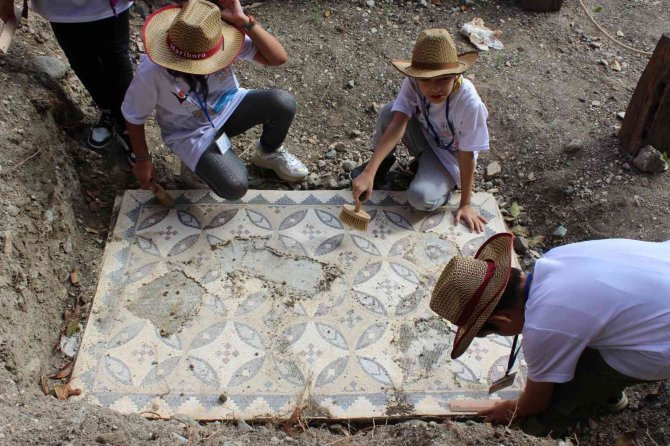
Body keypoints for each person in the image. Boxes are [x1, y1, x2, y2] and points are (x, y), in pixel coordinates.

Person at [430, 233, 670, 437]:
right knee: (590, 335)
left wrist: (511, 408)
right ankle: (607, 389)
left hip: (663, 343)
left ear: (501, 319)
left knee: (548, 411)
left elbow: (535, 402)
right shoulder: (556, 258)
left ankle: (583, 404)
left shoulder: (543, 328)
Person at [121, 0, 308, 199]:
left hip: (229, 107)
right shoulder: (151, 72)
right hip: (192, 132)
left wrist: (244, 21)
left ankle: (268, 153)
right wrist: (143, 159)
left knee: (282, 103)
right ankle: (196, 166)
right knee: (235, 186)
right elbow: (134, 116)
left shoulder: (219, 38)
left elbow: (277, 58)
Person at [350, 29, 489, 233]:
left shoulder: (469, 103)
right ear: (416, 77)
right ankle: (380, 170)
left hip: (451, 157)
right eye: (426, 80)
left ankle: (443, 187)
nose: (434, 88)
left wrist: (465, 203)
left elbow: (467, 155)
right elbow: (398, 123)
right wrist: (370, 171)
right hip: (426, 136)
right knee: (390, 112)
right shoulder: (412, 83)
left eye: (443, 79)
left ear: (456, 74)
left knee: (420, 198)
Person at [28, 0, 135, 160]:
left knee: (116, 59)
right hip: (60, 7)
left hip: (107, 4)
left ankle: (129, 126)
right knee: (82, 61)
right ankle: (109, 112)